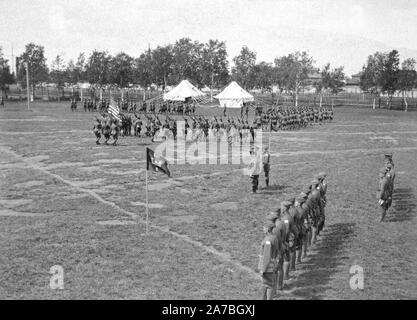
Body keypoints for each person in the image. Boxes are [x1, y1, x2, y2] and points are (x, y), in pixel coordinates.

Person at [258, 221, 279, 300]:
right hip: (271, 265)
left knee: (268, 285)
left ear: (268, 229)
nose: (263, 229)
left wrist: (263, 269)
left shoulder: (268, 240)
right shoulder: (274, 237)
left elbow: (267, 256)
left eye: (264, 227)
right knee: (266, 284)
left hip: (267, 267)